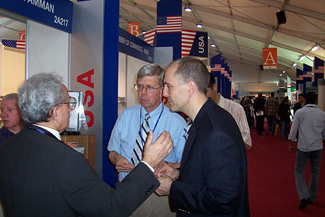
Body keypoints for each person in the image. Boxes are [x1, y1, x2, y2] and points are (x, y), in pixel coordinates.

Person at [0, 72, 173, 217]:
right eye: (68, 104)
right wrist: (148, 163)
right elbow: (112, 208)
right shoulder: (67, 159)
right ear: (54, 111)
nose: (70, 109)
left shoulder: (7, 148)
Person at [155, 57, 250, 216]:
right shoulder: (204, 120)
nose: (164, 93)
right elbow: (206, 176)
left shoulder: (216, 131)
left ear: (190, 87)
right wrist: (177, 175)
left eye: (168, 86)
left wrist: (173, 188)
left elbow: (223, 199)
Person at [107, 64, 186, 217]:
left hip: (158, 194)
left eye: (150, 87)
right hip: (127, 192)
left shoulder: (177, 122)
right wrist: (116, 158)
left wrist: (166, 165)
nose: (143, 93)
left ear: (162, 89)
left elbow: (186, 165)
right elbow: (112, 151)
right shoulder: (126, 116)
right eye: (140, 86)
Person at [288, 92, 325, 210]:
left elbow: (293, 130)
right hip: (317, 146)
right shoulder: (322, 114)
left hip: (303, 146)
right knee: (315, 172)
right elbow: (324, 133)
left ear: (304, 100)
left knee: (299, 171)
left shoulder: (300, 112)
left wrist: (291, 143)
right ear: (316, 100)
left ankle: (303, 196)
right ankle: (312, 197)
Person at [206, 73, 252, 149]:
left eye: (205, 92)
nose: (202, 97)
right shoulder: (197, 110)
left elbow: (247, 142)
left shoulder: (235, 109)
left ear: (214, 87)